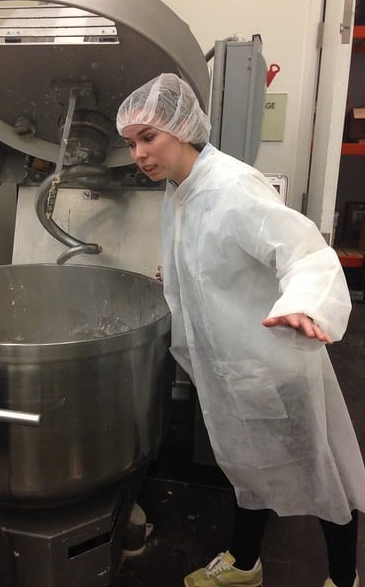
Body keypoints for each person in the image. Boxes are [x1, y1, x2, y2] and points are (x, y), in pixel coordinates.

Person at [116, 73, 365, 587]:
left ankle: (344, 578)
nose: (139, 154)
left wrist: (303, 304)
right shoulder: (182, 189)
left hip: (272, 364)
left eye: (148, 137)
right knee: (247, 469)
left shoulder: (230, 186)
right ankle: (246, 563)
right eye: (132, 143)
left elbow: (304, 253)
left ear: (181, 128)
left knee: (324, 476)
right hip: (227, 366)